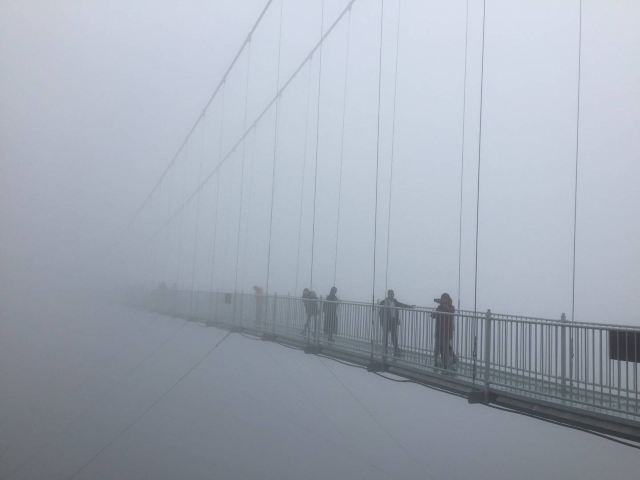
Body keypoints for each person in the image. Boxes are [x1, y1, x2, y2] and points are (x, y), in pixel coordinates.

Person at [379, 289, 412, 356]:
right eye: (390, 294)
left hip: (393, 320)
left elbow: (401, 304)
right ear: (388, 295)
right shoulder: (384, 302)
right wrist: (382, 321)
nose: (392, 295)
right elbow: (380, 309)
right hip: (386, 321)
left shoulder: (395, 301)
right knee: (385, 336)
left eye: (392, 294)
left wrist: (409, 307)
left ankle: (396, 348)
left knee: (394, 335)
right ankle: (385, 349)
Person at [432, 293, 456, 369]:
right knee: (437, 347)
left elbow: (451, 312)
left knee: (445, 348)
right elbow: (434, 316)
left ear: (448, 299)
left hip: (447, 332)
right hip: (439, 331)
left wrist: (444, 305)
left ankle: (446, 364)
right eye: (442, 298)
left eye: (444, 299)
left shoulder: (451, 307)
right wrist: (434, 313)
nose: (443, 300)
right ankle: (436, 362)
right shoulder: (439, 307)